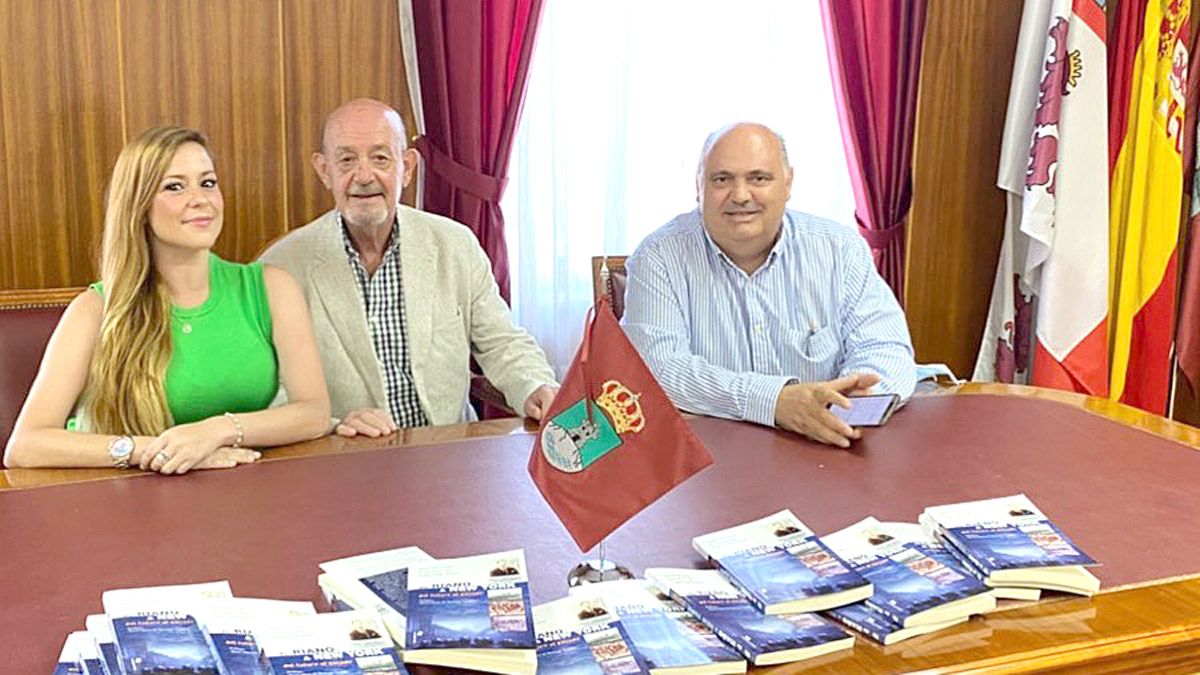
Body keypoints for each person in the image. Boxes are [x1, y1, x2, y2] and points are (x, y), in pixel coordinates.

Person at [3, 126, 332, 473]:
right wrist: (158, 449)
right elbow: (25, 446)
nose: (200, 199)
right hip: (122, 499)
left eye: (208, 183)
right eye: (175, 186)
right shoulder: (95, 309)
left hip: (234, 496)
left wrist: (215, 431)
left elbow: (313, 412)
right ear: (140, 206)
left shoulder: (271, 286)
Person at [260, 98, 557, 437]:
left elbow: (502, 341)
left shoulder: (455, 243)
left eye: (380, 158)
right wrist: (332, 426)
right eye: (346, 160)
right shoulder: (281, 266)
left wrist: (535, 385)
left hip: (446, 452)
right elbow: (268, 386)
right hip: (345, 460)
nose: (364, 176)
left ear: (408, 167)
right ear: (324, 171)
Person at [621, 122, 916, 448]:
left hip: (828, 450)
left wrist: (854, 402)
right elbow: (659, 368)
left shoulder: (840, 250)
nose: (741, 195)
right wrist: (774, 402)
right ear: (698, 186)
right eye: (722, 180)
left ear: (788, 183)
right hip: (710, 461)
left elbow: (886, 348)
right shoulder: (658, 257)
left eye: (758, 178)